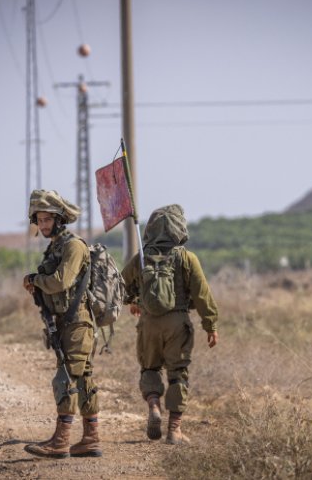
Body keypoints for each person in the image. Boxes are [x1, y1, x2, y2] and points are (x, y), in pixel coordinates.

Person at [121, 204, 219, 445]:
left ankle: (153, 405)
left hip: (148, 323)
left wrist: (135, 301)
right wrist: (211, 325)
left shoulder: (141, 258)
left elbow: (121, 287)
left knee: (150, 369)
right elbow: (203, 295)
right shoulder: (187, 258)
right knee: (178, 375)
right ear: (179, 228)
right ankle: (174, 430)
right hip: (177, 323)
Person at [22, 189, 102, 459]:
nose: (43, 225)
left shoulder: (73, 246)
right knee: (83, 379)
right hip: (65, 322)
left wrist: (35, 280)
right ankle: (91, 439)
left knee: (66, 378)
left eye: (47, 219)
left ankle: (60, 442)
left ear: (60, 218)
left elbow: (61, 281)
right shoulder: (55, 246)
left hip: (77, 322)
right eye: (39, 220)